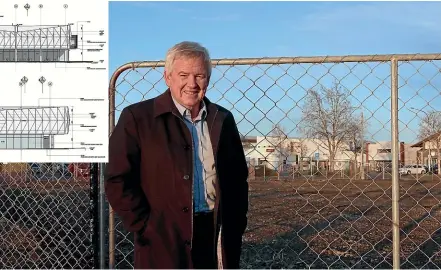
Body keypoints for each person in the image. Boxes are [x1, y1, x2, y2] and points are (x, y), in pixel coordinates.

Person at [104, 41, 249, 269]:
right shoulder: (138, 118)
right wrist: (145, 226)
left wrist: (236, 224)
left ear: (208, 80)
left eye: (199, 76)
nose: (192, 84)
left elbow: (238, 179)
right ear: (167, 77)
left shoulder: (222, 120)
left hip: (213, 236)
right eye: (183, 75)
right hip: (162, 238)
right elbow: (117, 178)